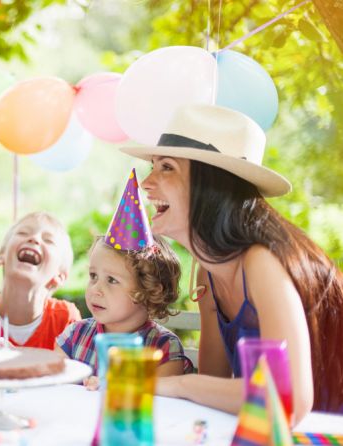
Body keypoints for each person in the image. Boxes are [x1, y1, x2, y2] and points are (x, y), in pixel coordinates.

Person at [120, 104, 343, 419]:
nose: (146, 182)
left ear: (211, 184)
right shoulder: (207, 273)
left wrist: (178, 384)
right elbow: (215, 385)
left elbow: (286, 401)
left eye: (166, 167)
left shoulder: (262, 263)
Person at [56, 169, 193, 390]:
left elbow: (165, 407)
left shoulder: (163, 348)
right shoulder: (75, 336)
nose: (96, 289)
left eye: (111, 280)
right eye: (93, 276)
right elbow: (53, 387)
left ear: (148, 289)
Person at [0, 212, 81, 349]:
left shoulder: (66, 321)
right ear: (1, 255)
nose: (35, 238)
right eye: (23, 233)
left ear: (60, 275)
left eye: (48, 240)